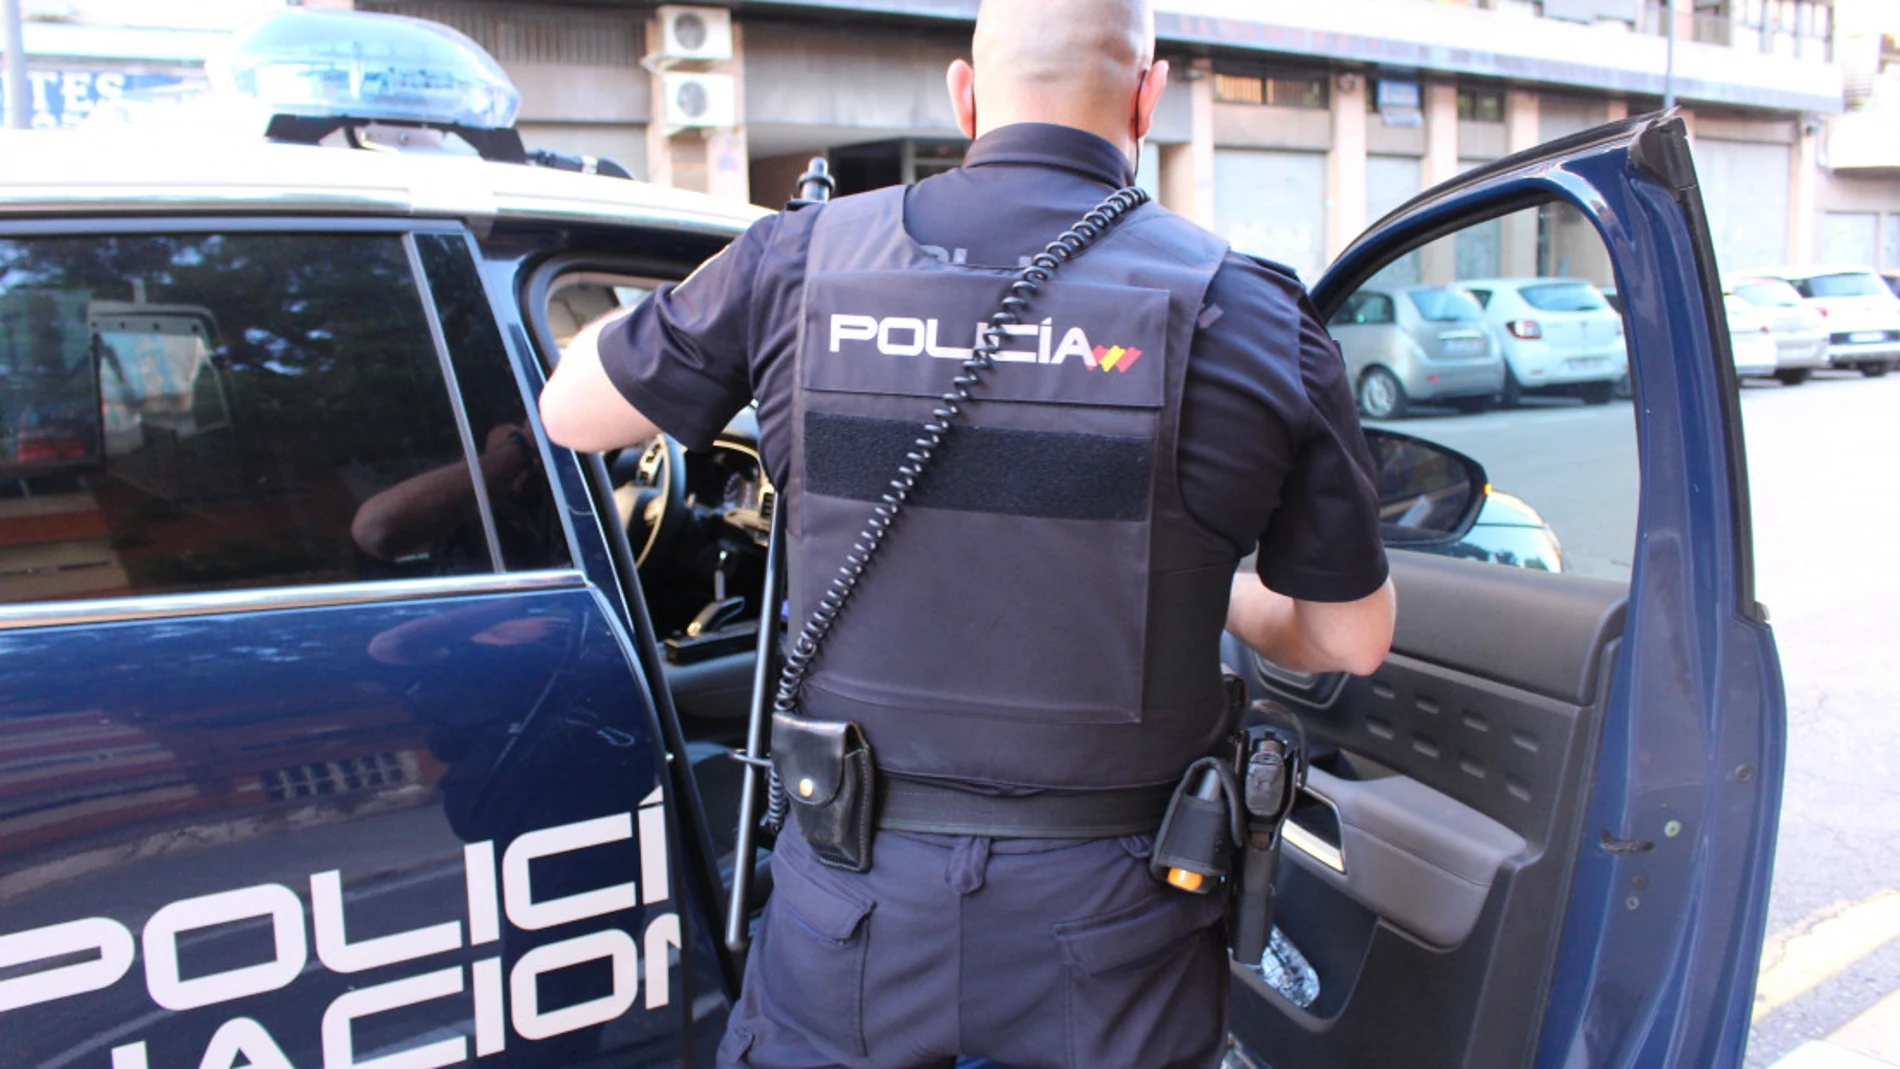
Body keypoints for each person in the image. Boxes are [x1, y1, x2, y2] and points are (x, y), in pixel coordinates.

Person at [540, 0, 1396, 1064]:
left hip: (851, 897)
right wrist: (1189, 581)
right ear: (1148, 96)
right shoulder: (1253, 311)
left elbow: (571, 411)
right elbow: (1351, 637)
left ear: (964, 93)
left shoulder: (796, 262)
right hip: (1122, 914)